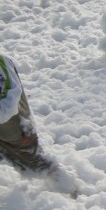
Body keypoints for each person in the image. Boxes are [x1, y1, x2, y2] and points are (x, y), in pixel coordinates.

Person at [1, 53, 78, 196]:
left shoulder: (1, 65)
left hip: (12, 128)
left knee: (33, 159)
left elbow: (8, 106)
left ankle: (69, 189)